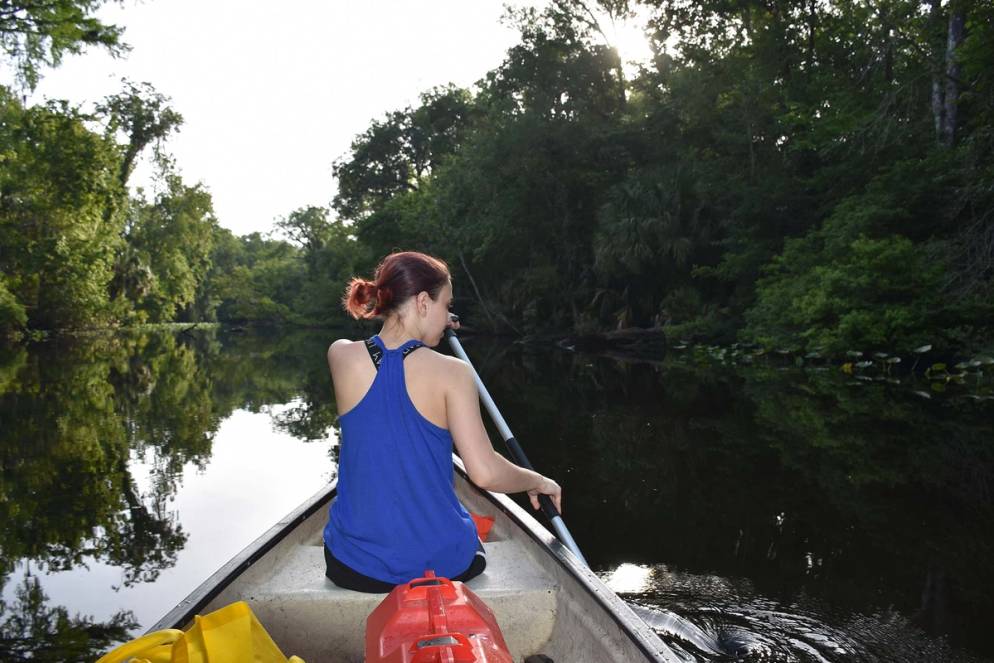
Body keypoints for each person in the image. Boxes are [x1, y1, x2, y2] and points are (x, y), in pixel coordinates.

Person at [323, 251, 562, 593]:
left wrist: (429, 327)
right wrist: (536, 481)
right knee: (463, 531)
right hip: (437, 565)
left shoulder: (340, 354)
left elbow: (393, 359)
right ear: (422, 302)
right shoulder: (454, 373)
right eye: (446, 304)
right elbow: (484, 472)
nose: (448, 314)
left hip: (353, 566)